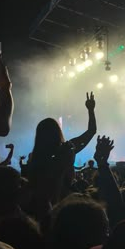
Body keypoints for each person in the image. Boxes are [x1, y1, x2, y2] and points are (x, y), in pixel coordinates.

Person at [28, 92, 96, 220]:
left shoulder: (35, 159)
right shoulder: (66, 149)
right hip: (66, 203)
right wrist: (91, 110)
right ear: (57, 132)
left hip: (41, 209)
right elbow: (91, 131)